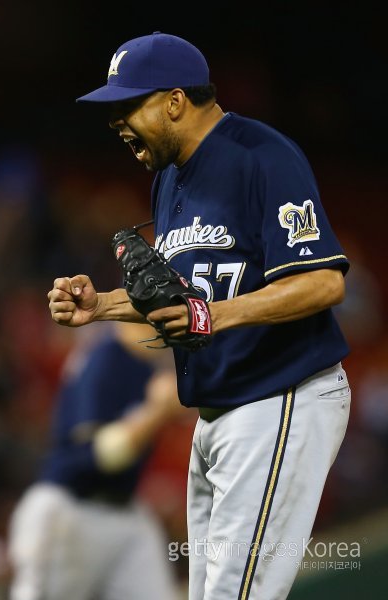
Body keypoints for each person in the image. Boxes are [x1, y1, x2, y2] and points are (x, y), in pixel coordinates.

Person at [47, 32, 352, 600]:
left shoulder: (261, 156)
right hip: (216, 414)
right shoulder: (169, 178)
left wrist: (213, 316)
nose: (115, 121)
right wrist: (103, 307)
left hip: (280, 396)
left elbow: (323, 281)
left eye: (126, 105)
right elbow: (184, 299)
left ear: (173, 100)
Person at [7, 321, 183, 600]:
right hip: (70, 509)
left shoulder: (147, 362)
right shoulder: (107, 355)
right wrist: (156, 411)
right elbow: (101, 455)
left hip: (126, 511)